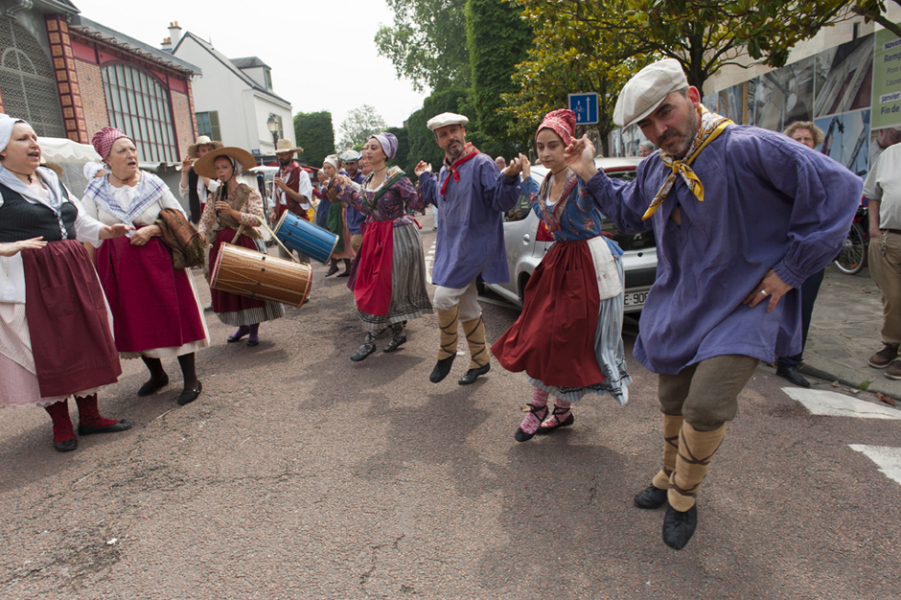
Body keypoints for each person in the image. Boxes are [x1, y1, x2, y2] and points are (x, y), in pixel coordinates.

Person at [569, 58, 860, 550]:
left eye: (667, 112)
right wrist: (589, 172)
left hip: (747, 304)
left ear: (694, 98)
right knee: (671, 399)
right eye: (648, 123)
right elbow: (629, 213)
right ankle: (666, 475)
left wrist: (790, 271)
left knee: (705, 405)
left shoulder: (751, 146)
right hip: (684, 302)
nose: (660, 129)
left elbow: (841, 191)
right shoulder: (658, 167)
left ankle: (684, 496)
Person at [491, 109, 632, 442]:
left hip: (586, 265)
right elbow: (543, 212)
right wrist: (526, 178)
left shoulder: (579, 181)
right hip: (559, 264)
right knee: (539, 337)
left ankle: (544, 408)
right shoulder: (546, 182)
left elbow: (597, 196)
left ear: (567, 145)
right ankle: (558, 410)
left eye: (553, 145)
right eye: (540, 146)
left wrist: (587, 167)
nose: (545, 153)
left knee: (560, 341)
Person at [0, 115, 133, 452]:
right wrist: (5, 246)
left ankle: (90, 416)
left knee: (86, 337)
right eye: (22, 139)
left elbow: (78, 217)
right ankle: (61, 425)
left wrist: (104, 231)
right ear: (1, 151)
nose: (34, 144)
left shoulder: (50, 179)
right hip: (32, 276)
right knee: (48, 349)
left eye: (34, 136)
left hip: (73, 270)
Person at [82, 127, 210, 406]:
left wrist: (153, 229)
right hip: (117, 266)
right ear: (107, 159)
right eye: (122, 151)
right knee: (133, 318)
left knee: (174, 312)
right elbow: (85, 229)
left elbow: (179, 216)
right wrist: (86, 270)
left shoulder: (152, 183)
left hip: (159, 260)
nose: (131, 155)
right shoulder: (95, 190)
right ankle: (157, 374)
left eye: (133, 149)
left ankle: (191, 378)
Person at [414, 113, 522, 385]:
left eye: (454, 131)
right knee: (466, 302)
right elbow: (442, 200)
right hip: (453, 247)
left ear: (463, 131)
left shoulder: (482, 163)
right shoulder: (445, 169)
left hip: (474, 246)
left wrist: (509, 178)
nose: (451, 137)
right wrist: (426, 178)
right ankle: (480, 360)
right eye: (444, 134)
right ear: (438, 141)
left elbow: (500, 202)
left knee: (442, 298)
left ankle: (446, 352)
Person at [334, 132, 432, 360]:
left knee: (385, 285)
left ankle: (370, 340)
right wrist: (347, 189)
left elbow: (417, 204)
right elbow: (369, 209)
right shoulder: (367, 180)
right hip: (376, 234)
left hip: (398, 236)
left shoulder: (397, 178)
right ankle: (397, 333)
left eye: (373, 148)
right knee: (373, 284)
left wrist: (425, 179)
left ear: (386, 153)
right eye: (366, 147)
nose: (367, 152)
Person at [195, 147, 286, 346]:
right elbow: (206, 219)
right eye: (217, 168)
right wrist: (201, 231)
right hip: (221, 245)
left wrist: (234, 213)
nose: (220, 171)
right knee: (230, 289)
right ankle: (242, 326)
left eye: (224, 167)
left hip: (245, 242)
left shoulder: (250, 192)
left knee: (249, 287)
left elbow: (257, 219)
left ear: (234, 169)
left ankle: (253, 329)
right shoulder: (215, 195)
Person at [774, 121, 829, 388]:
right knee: (771, 303)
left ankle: (789, 362)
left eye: (808, 139)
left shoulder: (825, 170)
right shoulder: (777, 171)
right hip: (778, 251)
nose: (803, 142)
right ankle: (760, 351)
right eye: (798, 138)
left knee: (802, 308)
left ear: (815, 143)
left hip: (810, 253)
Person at [864, 142, 901, 379]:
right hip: (889, 238)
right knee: (893, 297)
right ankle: (891, 344)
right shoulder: (890, 154)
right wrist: (874, 228)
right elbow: (872, 194)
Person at [268, 139, 313, 264]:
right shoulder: (277, 174)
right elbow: (274, 198)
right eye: (279, 154)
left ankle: (306, 283)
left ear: (291, 154)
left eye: (283, 153)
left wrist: (286, 189)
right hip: (282, 219)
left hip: (298, 219)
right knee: (284, 260)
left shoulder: (301, 174)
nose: (280, 157)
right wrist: (273, 211)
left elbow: (304, 199)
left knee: (304, 259)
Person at [315, 155, 354, 277]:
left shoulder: (338, 179)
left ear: (335, 168)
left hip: (340, 209)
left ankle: (341, 266)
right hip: (333, 209)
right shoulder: (331, 180)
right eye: (325, 168)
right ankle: (339, 266)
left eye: (329, 168)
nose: (326, 171)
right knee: (334, 236)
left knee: (339, 236)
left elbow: (346, 191)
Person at [178, 135, 222, 224]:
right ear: (198, 153)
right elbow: (184, 194)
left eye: (209, 150)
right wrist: (184, 172)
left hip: (216, 219)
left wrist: (200, 171)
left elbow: (217, 189)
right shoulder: (193, 172)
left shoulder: (219, 169)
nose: (207, 153)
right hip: (198, 218)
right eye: (203, 150)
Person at [341, 150, 367, 254]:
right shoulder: (348, 177)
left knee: (356, 244)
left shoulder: (361, 178)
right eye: (347, 164)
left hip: (361, 220)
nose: (349, 166)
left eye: (352, 163)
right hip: (353, 221)